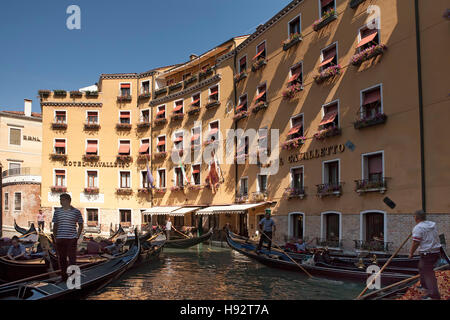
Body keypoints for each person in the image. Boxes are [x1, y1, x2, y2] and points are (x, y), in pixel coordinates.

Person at [409, 210, 442, 300]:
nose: (414, 218)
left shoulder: (418, 228)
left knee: (428, 273)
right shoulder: (431, 224)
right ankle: (424, 285)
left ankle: (434, 295)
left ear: (417, 217)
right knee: (421, 266)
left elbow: (416, 243)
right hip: (435, 252)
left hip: (428, 253)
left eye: (414, 216)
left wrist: (411, 253)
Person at [52, 193, 83, 282]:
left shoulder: (76, 212)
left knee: (72, 259)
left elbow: (80, 225)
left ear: (68, 201)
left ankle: (73, 278)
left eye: (63, 200)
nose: (61, 202)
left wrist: (77, 236)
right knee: (62, 259)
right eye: (60, 200)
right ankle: (64, 278)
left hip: (71, 239)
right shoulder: (57, 211)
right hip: (60, 238)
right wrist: (55, 237)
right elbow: (55, 226)